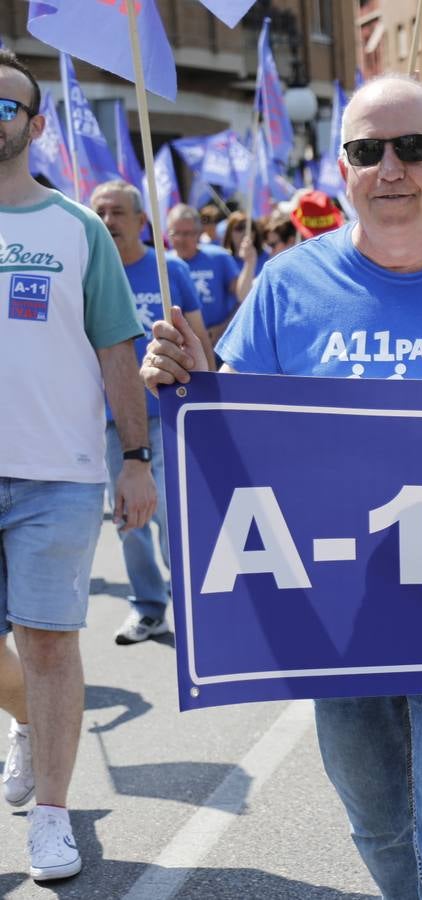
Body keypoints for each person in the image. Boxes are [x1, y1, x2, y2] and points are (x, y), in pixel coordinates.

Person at [141, 74, 422, 899]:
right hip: (338, 616)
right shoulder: (288, 285)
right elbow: (236, 431)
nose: (390, 168)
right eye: (368, 151)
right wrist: (189, 383)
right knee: (380, 826)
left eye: (412, 147)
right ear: (344, 171)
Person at [0, 50, 155, 882]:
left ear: (34, 125)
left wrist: (135, 459)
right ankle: (26, 722)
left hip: (56, 475)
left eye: (4, 106)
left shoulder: (77, 228)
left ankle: (52, 817)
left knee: (50, 644)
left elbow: (116, 351)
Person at [90, 179, 213, 645]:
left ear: (142, 221)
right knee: (129, 518)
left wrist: (206, 404)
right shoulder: (88, 270)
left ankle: (197, 605)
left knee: (171, 514)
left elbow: (198, 339)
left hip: (168, 415)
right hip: (115, 423)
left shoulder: (169, 270)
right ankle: (148, 607)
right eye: (100, 212)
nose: (107, 221)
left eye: (117, 212)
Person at [166, 203, 254, 343]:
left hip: (218, 342)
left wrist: (223, 328)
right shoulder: (163, 265)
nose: (181, 239)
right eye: (176, 233)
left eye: (187, 233)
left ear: (198, 233)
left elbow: (242, 298)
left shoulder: (219, 257)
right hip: (180, 345)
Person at [221, 210, 268, 276]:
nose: (245, 233)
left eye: (250, 228)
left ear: (255, 233)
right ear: (229, 233)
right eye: (239, 228)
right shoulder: (223, 259)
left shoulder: (267, 258)